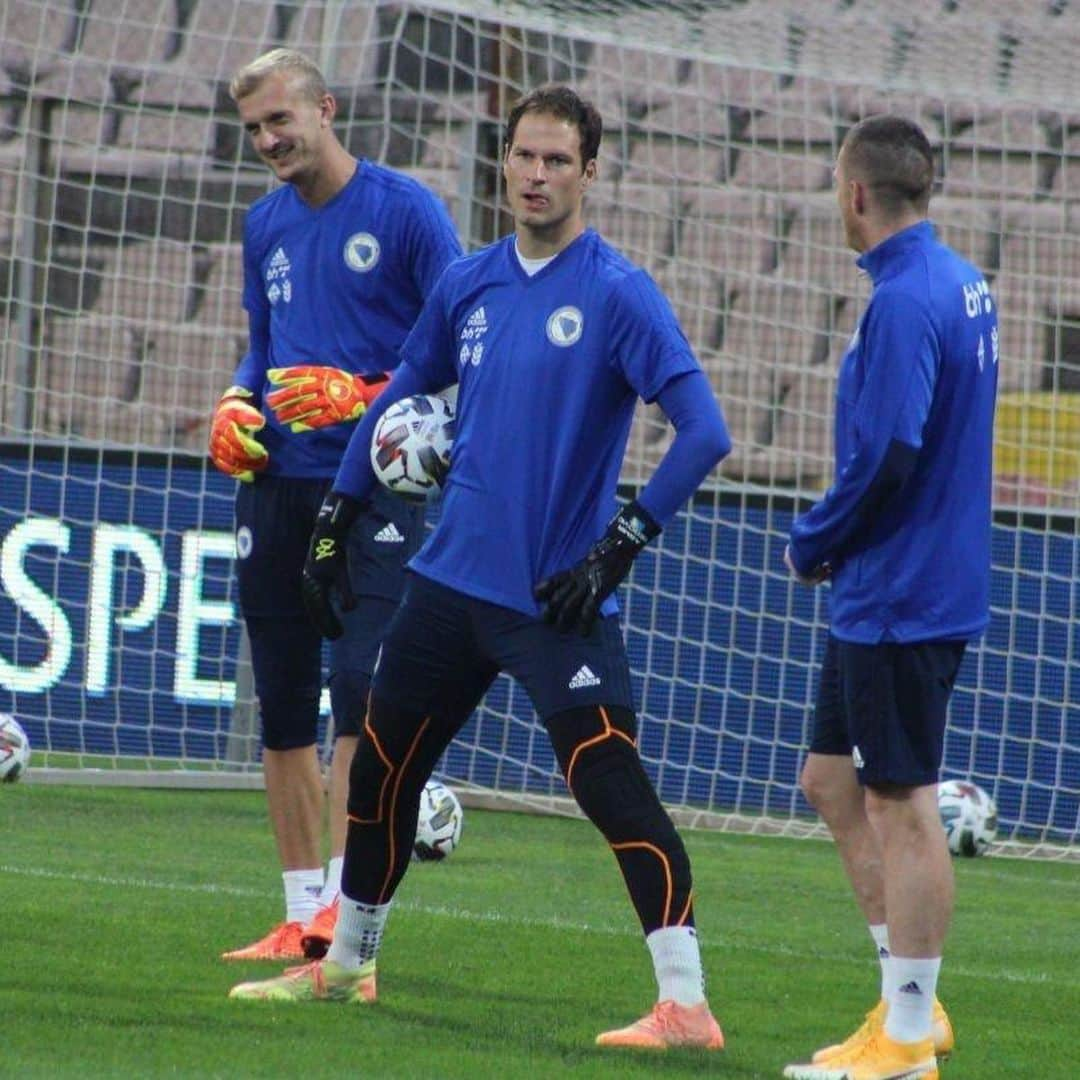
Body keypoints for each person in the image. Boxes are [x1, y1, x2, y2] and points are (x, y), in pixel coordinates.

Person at [229, 84, 732, 1051]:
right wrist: (338, 514)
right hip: (448, 582)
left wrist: (621, 544)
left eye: (557, 161)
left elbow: (705, 432)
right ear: (503, 162)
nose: (536, 177)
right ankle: (346, 966)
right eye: (523, 158)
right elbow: (399, 397)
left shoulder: (618, 292)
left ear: (591, 171)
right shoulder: (471, 281)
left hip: (553, 596)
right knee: (381, 773)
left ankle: (687, 1008)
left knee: (607, 781)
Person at [208, 48, 462, 962]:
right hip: (274, 483)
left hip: (374, 489)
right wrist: (237, 401)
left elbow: (466, 347)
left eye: (280, 120)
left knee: (360, 702)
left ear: (325, 107)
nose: (269, 141)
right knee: (281, 705)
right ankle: (296, 911)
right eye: (253, 131)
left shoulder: (406, 213)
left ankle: (344, 926)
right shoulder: (264, 224)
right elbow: (260, 346)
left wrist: (365, 396)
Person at [781, 115, 998, 1080]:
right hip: (895, 588)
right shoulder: (959, 280)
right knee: (831, 784)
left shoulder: (907, 300)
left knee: (902, 804)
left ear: (856, 193)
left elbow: (892, 454)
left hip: (900, 592)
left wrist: (816, 540)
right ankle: (903, 1004)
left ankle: (909, 1039)